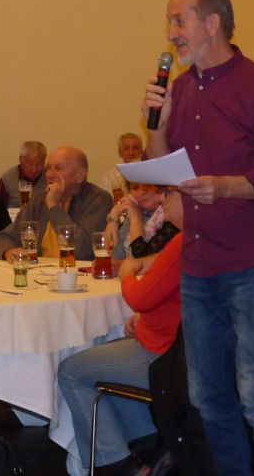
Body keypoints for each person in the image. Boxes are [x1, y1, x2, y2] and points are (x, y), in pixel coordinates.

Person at [142, 0, 254, 475]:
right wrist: (156, 127)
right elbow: (163, 168)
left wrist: (228, 187)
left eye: (179, 20)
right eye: (170, 21)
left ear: (212, 23)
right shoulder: (179, 90)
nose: (171, 32)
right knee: (208, 398)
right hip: (199, 265)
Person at [58, 188, 184, 474]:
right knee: (101, 365)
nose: (163, 200)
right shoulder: (193, 240)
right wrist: (142, 311)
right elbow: (157, 271)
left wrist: (127, 271)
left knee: (71, 371)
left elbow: (139, 296)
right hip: (166, 341)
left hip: (164, 352)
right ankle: (151, 449)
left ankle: (116, 464)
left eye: (170, 195)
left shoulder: (184, 243)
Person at [0, 146, 113, 262]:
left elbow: (82, 250)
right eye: (48, 168)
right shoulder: (39, 200)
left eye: (58, 168)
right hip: (41, 271)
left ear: (80, 175)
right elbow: (5, 238)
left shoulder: (98, 200)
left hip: (79, 272)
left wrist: (53, 206)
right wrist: (9, 251)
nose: (50, 174)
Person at [105, 183, 180, 273]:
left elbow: (144, 262)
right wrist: (114, 215)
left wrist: (136, 218)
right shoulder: (138, 209)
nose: (141, 192)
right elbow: (115, 256)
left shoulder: (174, 214)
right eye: (135, 187)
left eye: (148, 185)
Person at [0, 140, 47, 208]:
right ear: (20, 160)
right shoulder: (7, 179)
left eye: (39, 164)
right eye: (30, 164)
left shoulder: (49, 176)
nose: (34, 169)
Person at [98, 133, 144, 200]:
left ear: (142, 150)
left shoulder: (149, 174)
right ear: (120, 152)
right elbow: (102, 201)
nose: (131, 152)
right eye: (126, 148)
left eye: (135, 148)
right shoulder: (108, 177)